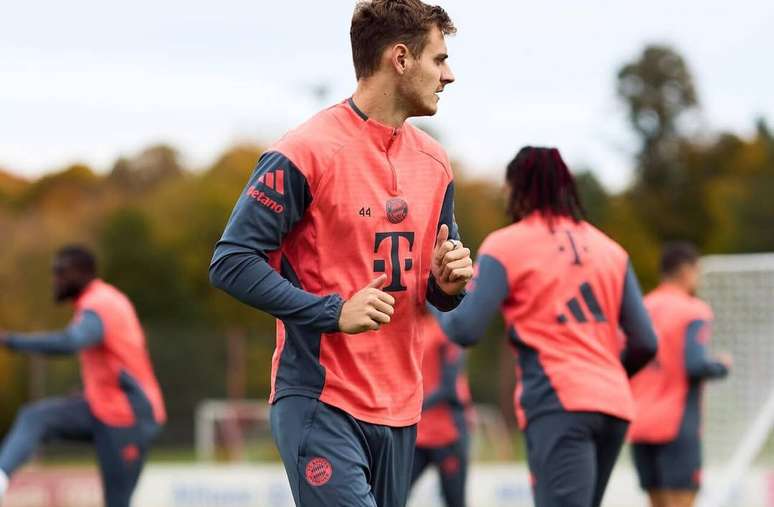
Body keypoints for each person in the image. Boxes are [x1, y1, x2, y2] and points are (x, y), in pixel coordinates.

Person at [208, 1, 473, 505]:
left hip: (401, 409)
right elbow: (231, 261)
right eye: (439, 60)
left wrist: (447, 283)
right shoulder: (304, 151)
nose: (450, 75)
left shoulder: (436, 162)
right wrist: (332, 312)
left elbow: (437, 291)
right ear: (400, 58)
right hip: (320, 401)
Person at [438, 146, 659, 507]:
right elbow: (646, 341)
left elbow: (465, 329)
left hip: (559, 402)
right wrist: (607, 376)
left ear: (518, 190)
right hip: (613, 405)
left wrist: (439, 298)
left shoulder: (507, 244)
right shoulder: (611, 250)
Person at [0, 246, 165, 507]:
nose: (55, 279)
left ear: (82, 273)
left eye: (60, 272)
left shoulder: (101, 303)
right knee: (35, 417)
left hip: (128, 416)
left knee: (117, 502)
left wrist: (10, 340)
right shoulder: (95, 302)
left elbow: (71, 342)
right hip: (100, 406)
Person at [629, 242, 731, 507]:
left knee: (656, 502)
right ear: (686, 271)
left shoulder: (642, 306)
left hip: (640, 421)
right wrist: (721, 365)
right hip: (676, 425)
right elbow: (695, 365)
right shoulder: (693, 310)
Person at [410, 306, 474, 507]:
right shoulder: (416, 327)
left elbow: (449, 387)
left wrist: (413, 404)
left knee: (455, 501)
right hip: (419, 435)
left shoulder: (449, 329)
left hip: (449, 434)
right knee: (392, 496)